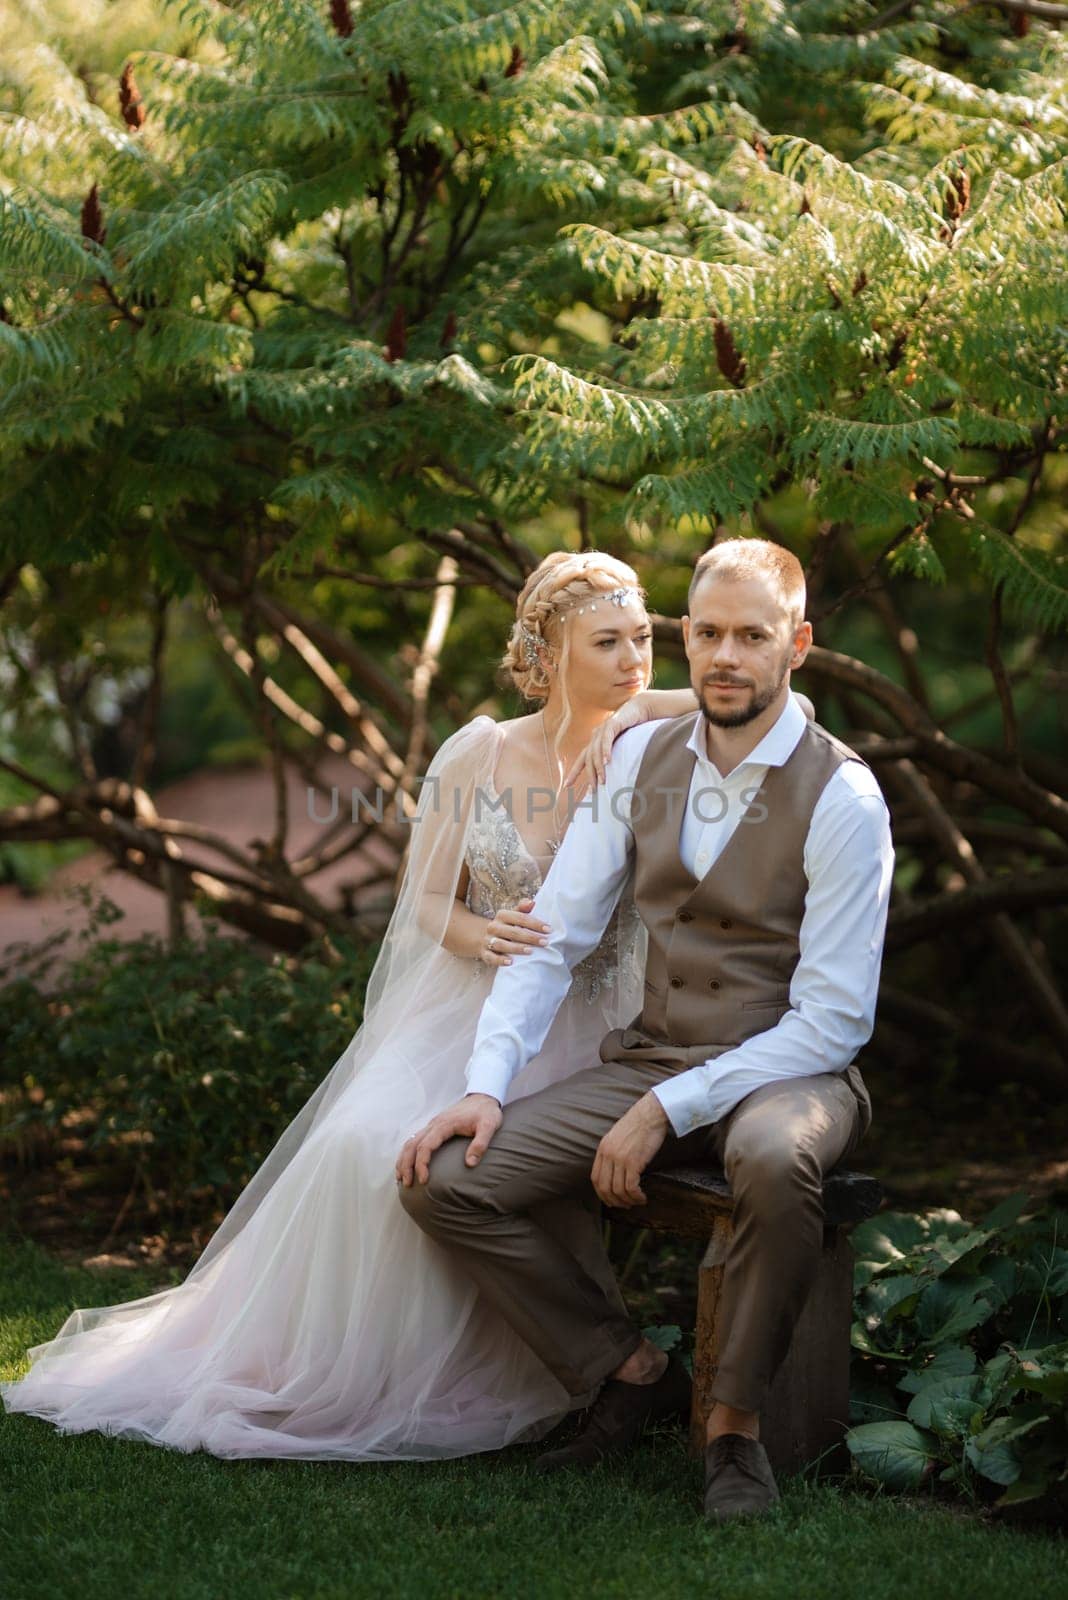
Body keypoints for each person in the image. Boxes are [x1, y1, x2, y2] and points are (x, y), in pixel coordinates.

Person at [0, 550, 708, 1459]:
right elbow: (423, 903)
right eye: (607, 643)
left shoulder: (654, 744)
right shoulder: (481, 751)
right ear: (552, 651)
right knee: (359, 1143)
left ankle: (542, 1370)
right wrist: (480, 935)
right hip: (466, 1002)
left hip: (588, 1027)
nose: (633, 660)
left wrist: (644, 707)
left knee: (459, 1160)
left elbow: (765, 700)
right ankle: (330, 1366)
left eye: (643, 640)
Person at [397, 537, 894, 1520]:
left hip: (792, 1072)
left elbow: (833, 1021)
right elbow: (552, 938)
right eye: (706, 631)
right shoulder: (639, 757)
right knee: (448, 1183)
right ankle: (626, 1367)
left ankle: (733, 1431)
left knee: (767, 1154)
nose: (724, 654)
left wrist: (668, 1108)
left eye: (752, 634)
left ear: (796, 644)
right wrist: (487, 1084)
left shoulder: (844, 794)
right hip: (659, 1051)